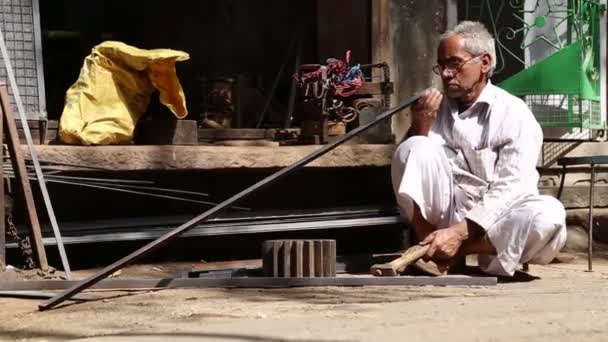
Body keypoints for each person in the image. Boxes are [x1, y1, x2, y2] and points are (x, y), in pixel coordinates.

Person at [391, 21, 567, 276]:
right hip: (446, 211)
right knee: (412, 147)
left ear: (484, 63)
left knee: (548, 214)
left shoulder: (513, 113)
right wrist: (420, 125)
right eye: (441, 65)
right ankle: (429, 241)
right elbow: (411, 169)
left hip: (495, 219)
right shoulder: (434, 109)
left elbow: (512, 187)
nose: (446, 74)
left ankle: (445, 252)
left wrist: (458, 234)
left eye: (454, 63)